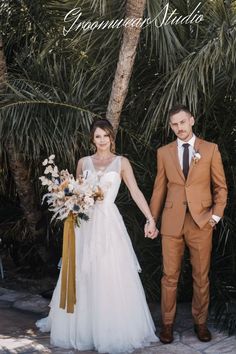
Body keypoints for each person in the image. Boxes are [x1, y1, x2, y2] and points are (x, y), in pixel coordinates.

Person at [36, 118, 159, 353]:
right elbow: (75, 192)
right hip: (85, 224)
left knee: (109, 271)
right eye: (97, 136)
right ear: (92, 140)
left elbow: (135, 191)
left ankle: (110, 329)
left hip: (109, 223)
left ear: (112, 137)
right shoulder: (83, 162)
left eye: (105, 135)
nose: (102, 140)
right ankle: (82, 328)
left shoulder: (122, 163)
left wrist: (150, 218)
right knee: (83, 270)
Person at [149, 104, 228, 344]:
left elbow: (220, 187)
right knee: (169, 276)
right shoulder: (164, 152)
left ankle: (200, 323)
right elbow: (159, 189)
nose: (179, 128)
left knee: (201, 276)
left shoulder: (210, 149)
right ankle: (167, 325)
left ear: (191, 120)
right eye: (174, 124)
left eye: (182, 122)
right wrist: (152, 220)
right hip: (171, 223)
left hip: (201, 222)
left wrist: (214, 217)